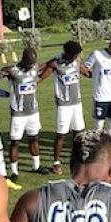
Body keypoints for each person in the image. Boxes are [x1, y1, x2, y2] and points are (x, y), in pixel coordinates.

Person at [46, 41, 91, 174]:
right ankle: (56, 163)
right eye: (76, 54)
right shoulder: (56, 63)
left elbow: (88, 73)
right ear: (68, 53)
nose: (77, 56)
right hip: (63, 105)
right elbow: (42, 75)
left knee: (79, 133)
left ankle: (77, 158)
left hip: (77, 103)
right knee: (61, 134)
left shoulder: (77, 61)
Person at [4, 47, 46, 180]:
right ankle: (14, 172)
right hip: (18, 113)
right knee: (15, 142)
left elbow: (48, 65)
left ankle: (36, 166)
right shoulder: (13, 70)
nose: (31, 65)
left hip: (33, 112)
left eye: (33, 62)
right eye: (29, 62)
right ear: (23, 59)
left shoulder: (35, 67)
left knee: (34, 138)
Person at [85, 37, 111, 144]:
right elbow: (85, 67)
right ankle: (96, 149)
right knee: (99, 125)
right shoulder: (97, 55)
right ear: (110, 46)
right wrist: (93, 76)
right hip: (100, 96)